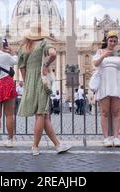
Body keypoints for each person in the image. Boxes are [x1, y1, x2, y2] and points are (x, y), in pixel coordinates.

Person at [17, 22, 71, 156]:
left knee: (44, 115)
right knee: (41, 114)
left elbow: (22, 69)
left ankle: (58, 145)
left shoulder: (23, 47)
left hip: (30, 81)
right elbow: (53, 54)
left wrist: (27, 83)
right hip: (42, 81)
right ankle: (35, 147)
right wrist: (45, 65)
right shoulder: (43, 43)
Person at [92, 31, 120, 147]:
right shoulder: (100, 52)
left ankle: (116, 137)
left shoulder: (119, 54)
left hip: (116, 83)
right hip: (104, 83)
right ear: (107, 41)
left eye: (115, 41)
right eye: (111, 40)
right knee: (104, 112)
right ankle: (106, 138)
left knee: (116, 112)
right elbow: (95, 64)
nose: (113, 43)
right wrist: (104, 55)